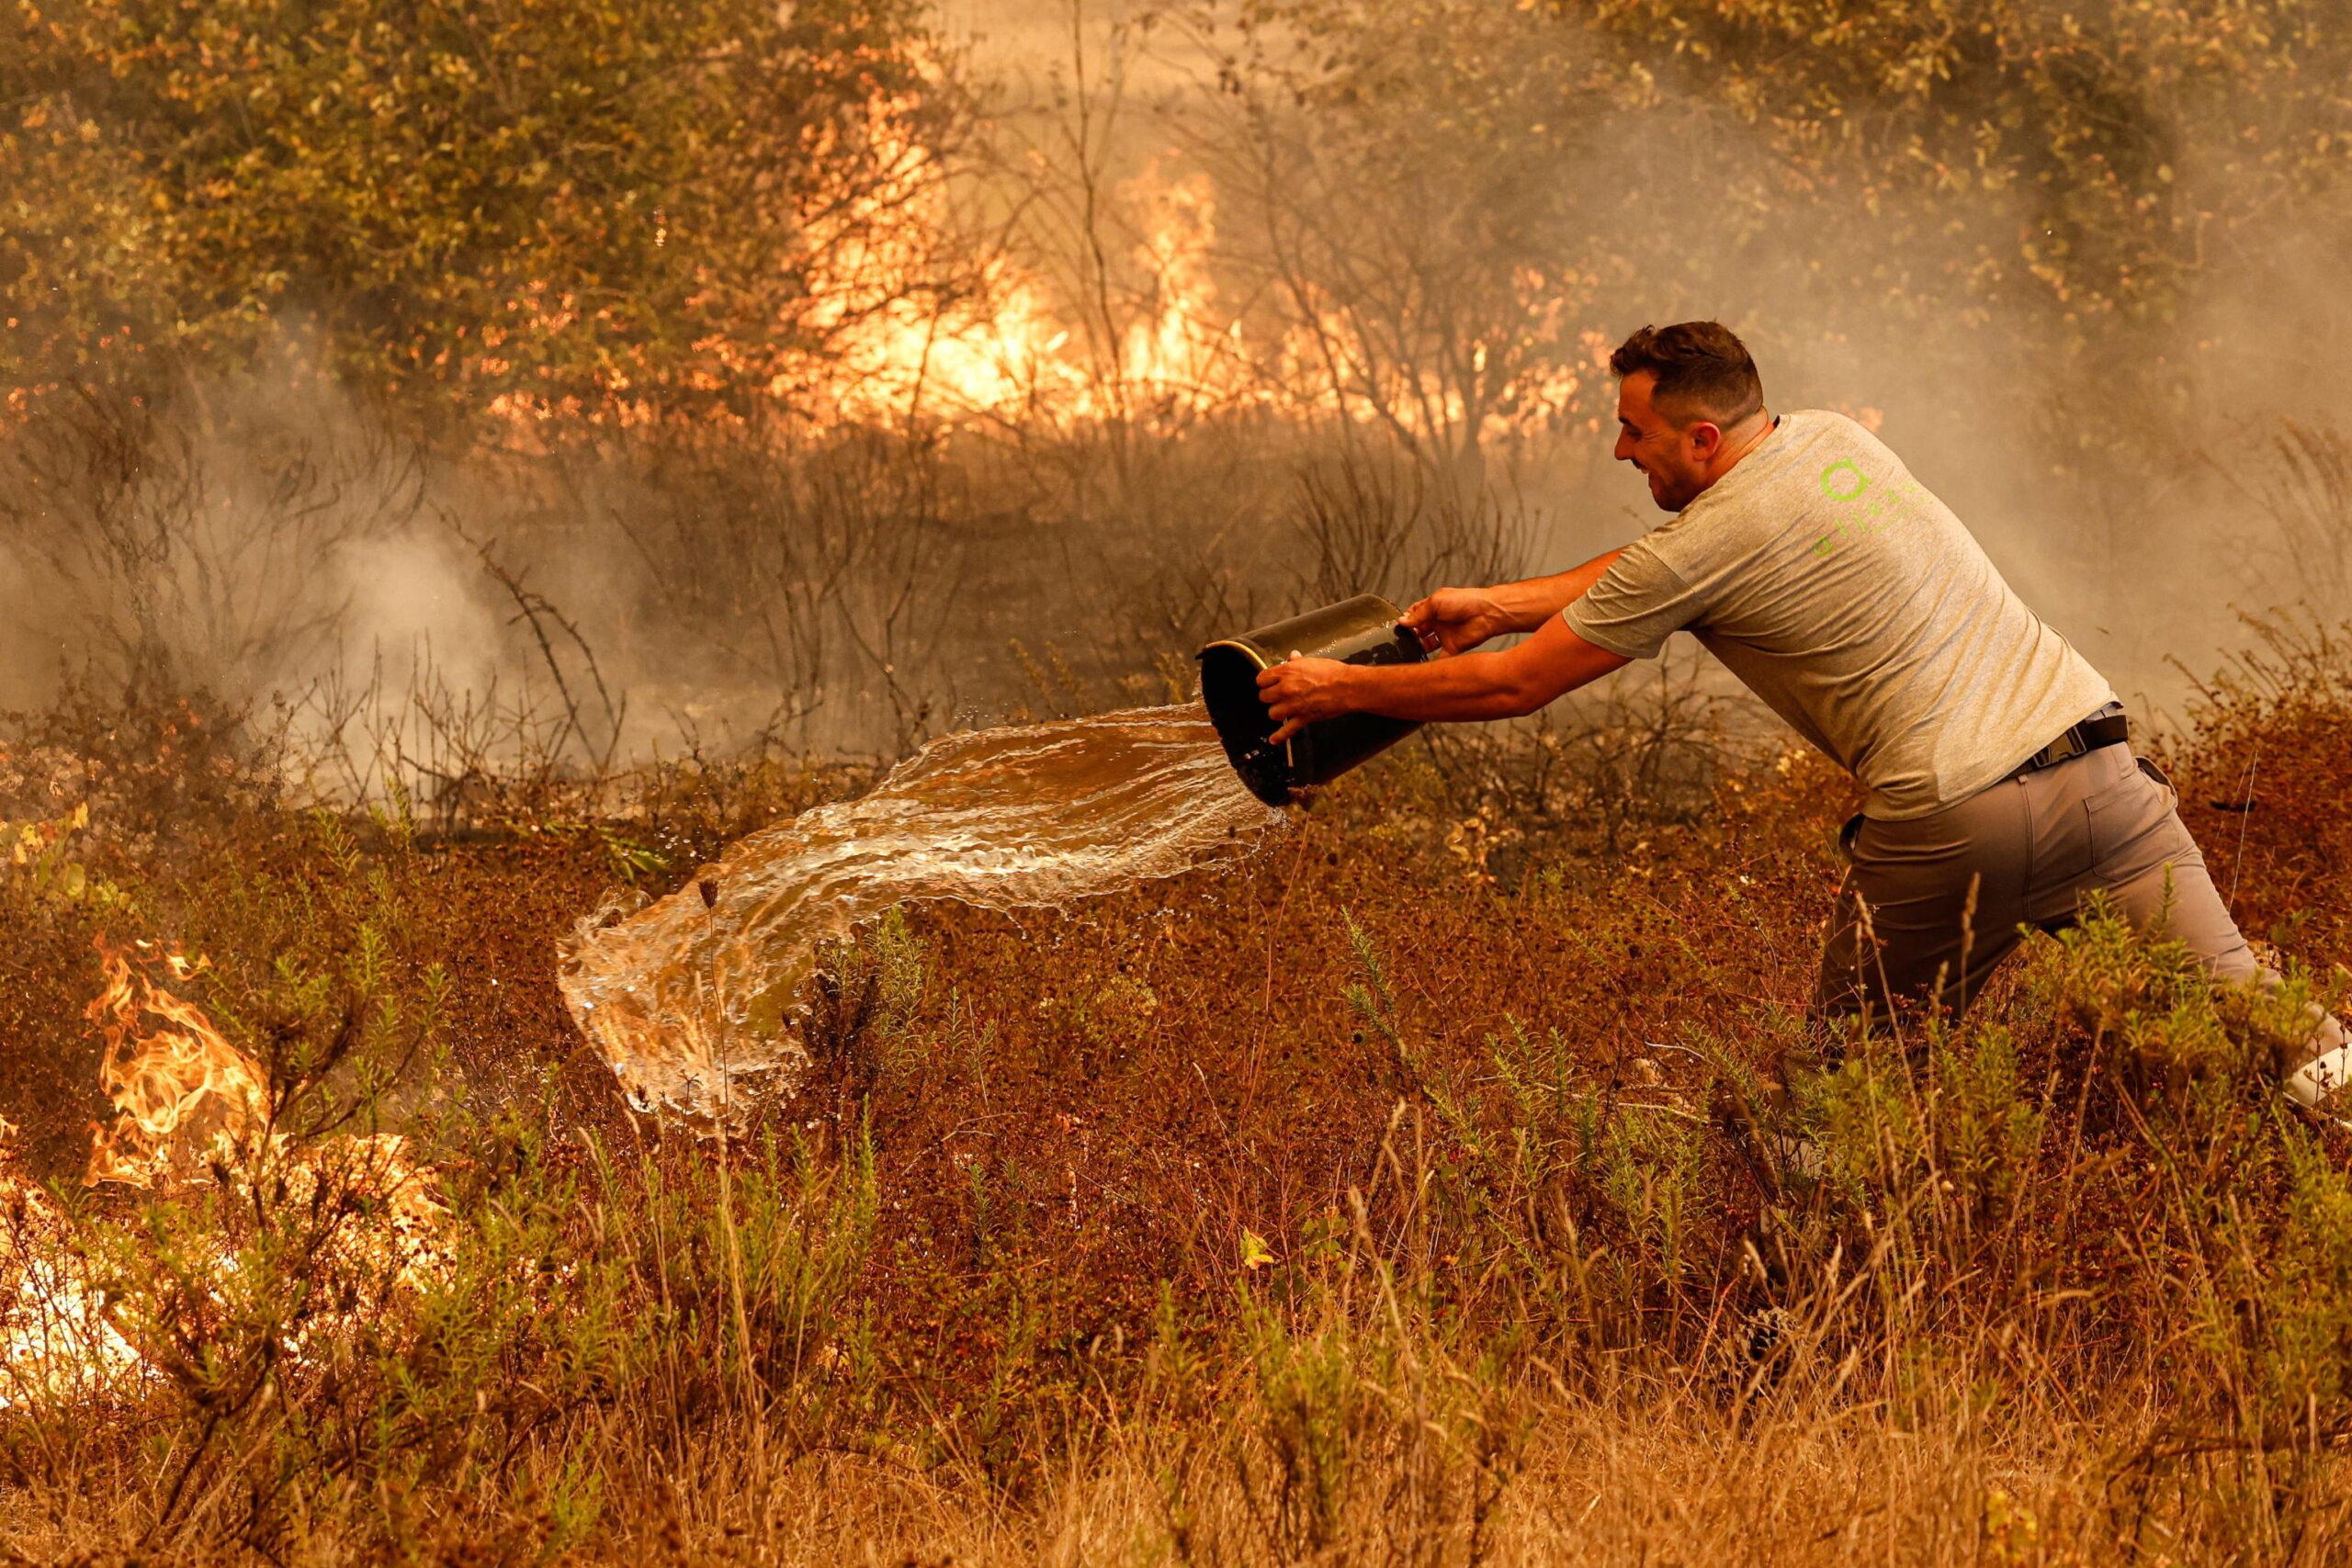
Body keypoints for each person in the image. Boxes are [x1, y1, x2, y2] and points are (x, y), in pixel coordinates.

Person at [1256, 320, 2348, 1121]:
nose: (1619, 452)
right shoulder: (1830, 442)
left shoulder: (1701, 543)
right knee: (2273, 1029)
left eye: (1632, 433)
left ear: (1697, 437)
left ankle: (1795, 1334)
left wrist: (1336, 689)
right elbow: (1665, 571)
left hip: (1952, 820)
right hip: (2104, 778)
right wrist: (1497, 602)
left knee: (1846, 1097)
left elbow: (1514, 687)